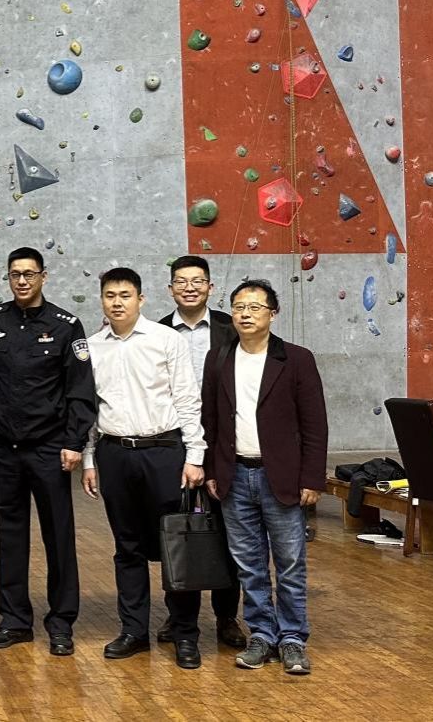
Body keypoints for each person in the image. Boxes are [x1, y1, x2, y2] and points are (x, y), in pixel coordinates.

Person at [80, 268, 206, 669]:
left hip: (164, 452)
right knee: (127, 547)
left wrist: (195, 455)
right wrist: (89, 458)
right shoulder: (91, 347)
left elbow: (187, 399)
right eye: (110, 295)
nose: (117, 302)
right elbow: (89, 409)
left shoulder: (166, 339)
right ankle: (133, 630)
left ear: (141, 299)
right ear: (101, 299)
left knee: (176, 545)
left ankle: (184, 633)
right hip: (114, 454)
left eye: (125, 295)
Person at [0, 248, 96, 657]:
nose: (22, 281)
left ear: (43, 276)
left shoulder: (66, 325)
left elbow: (80, 389)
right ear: (8, 278)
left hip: (50, 448)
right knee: (9, 536)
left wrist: (74, 442)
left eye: (29, 274)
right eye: (15, 274)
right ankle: (14, 620)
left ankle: (61, 623)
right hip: (5, 450)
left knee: (58, 536)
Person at [202, 280, 327, 676]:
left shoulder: (297, 359)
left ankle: (292, 638)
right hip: (234, 474)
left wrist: (312, 478)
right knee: (249, 565)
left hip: (282, 477)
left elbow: (315, 424)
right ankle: (261, 634)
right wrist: (211, 470)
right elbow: (210, 419)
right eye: (239, 306)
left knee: (289, 562)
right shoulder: (219, 357)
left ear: (273, 314)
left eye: (255, 307)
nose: (245, 313)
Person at [157, 254, 246, 649]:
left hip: (225, 443)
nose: (189, 287)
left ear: (211, 287)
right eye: (181, 281)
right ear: (170, 288)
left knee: (228, 532)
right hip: (172, 443)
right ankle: (179, 616)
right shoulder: (155, 332)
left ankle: (227, 617)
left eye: (198, 281)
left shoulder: (232, 329)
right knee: (178, 531)